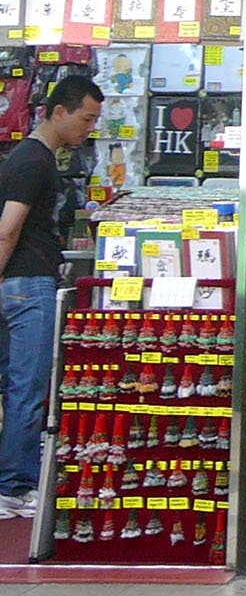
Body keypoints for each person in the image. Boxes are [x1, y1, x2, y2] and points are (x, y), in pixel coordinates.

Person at [0, 75, 103, 518]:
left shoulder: (27, 158)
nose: (90, 128)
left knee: (16, 386)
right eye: (86, 118)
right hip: (28, 284)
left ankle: (12, 481)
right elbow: (8, 228)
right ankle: (15, 486)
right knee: (27, 387)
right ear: (59, 111)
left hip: (19, 283)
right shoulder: (34, 162)